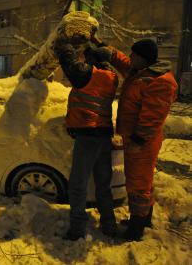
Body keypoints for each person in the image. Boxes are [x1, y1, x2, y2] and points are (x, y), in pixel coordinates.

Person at [91, 37, 178, 241]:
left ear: (143, 58)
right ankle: (144, 218)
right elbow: (124, 62)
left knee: (138, 183)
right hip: (136, 139)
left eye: (134, 55)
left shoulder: (159, 82)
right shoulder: (141, 72)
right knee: (143, 181)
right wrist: (108, 52)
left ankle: (136, 229)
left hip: (143, 142)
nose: (130, 58)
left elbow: (152, 118)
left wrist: (138, 142)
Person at [53, 41, 118, 241]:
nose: (85, 62)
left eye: (88, 60)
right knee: (103, 184)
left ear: (94, 62)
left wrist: (64, 44)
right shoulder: (112, 77)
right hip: (104, 136)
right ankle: (109, 224)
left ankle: (77, 228)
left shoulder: (91, 75)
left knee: (78, 185)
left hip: (88, 137)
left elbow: (73, 67)